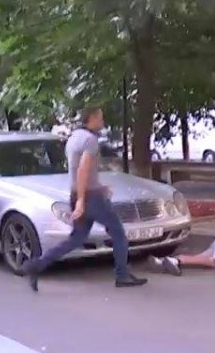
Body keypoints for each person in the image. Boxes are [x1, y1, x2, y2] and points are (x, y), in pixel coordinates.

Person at [24, 107, 147, 290]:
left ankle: (37, 265)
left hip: (77, 193)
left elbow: (76, 170)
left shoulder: (74, 138)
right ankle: (122, 275)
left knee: (77, 238)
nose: (103, 121)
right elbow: (82, 169)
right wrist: (83, 200)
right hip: (91, 198)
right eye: (100, 118)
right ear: (92, 119)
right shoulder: (90, 140)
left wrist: (94, 189)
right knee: (118, 233)